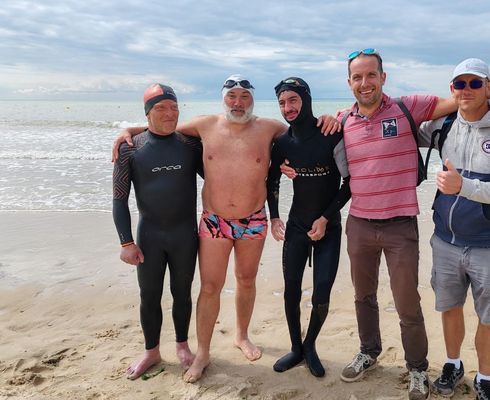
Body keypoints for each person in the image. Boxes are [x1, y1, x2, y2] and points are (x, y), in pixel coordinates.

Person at [333, 49, 490, 400]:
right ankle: (401, 356)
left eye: (371, 75)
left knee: (422, 303)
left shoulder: (413, 109)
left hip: (442, 232)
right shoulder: (348, 120)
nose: (364, 83)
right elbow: (330, 156)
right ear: (349, 82)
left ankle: (445, 373)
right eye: (357, 77)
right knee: (394, 300)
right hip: (395, 230)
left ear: (383, 77)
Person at [112, 75, 340, 383]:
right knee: (209, 286)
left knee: (246, 279)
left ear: (252, 100)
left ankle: (242, 336)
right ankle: (203, 353)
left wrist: (331, 118)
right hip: (214, 220)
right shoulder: (204, 125)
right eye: (232, 96)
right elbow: (160, 130)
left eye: (244, 96)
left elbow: (304, 134)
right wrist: (128, 131)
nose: (238, 102)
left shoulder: (269, 128)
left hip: (253, 218)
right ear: (223, 99)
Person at [419, 58, 490, 400]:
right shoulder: (442, 126)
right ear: (451, 90)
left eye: (475, 83)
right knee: (449, 307)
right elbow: (398, 127)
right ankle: (453, 364)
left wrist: (463, 186)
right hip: (445, 241)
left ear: (488, 86)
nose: (466, 90)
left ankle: (484, 378)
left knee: (489, 315)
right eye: (460, 84)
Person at [112, 83, 203, 380]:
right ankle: (151, 351)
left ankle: (182, 346)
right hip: (149, 236)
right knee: (149, 295)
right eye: (161, 108)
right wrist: (126, 242)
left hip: (185, 236)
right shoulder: (130, 148)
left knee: (182, 293)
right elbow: (119, 198)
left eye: (174, 107)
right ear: (148, 113)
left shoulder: (191, 145)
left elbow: (222, 165)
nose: (170, 113)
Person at [266, 77, 351, 377]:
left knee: (322, 293)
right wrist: (274, 216)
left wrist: (326, 218)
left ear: (306, 100)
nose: (287, 108)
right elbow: (272, 180)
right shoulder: (282, 143)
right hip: (297, 225)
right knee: (291, 290)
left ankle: (311, 344)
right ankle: (295, 348)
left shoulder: (331, 134)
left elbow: (348, 183)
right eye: (282, 103)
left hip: (329, 226)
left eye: (292, 100)